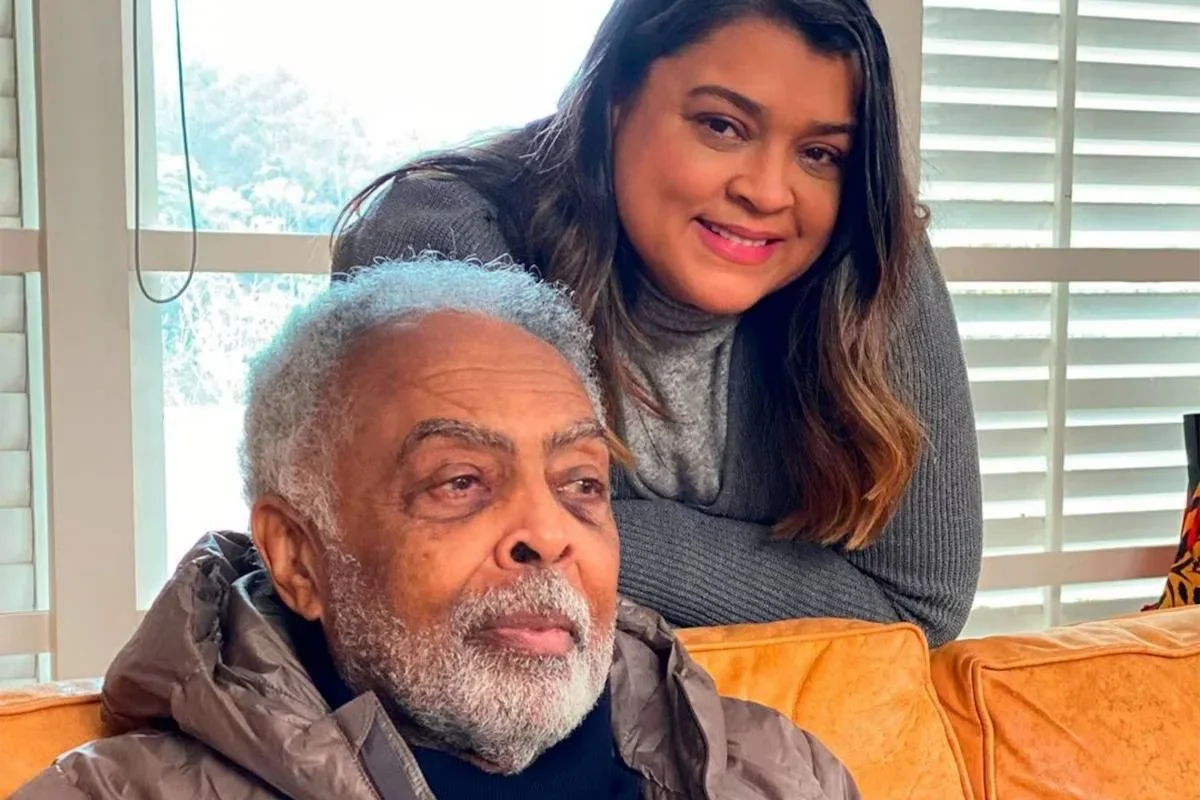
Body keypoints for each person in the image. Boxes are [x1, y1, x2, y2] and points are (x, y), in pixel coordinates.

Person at [16, 262, 860, 800]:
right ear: (299, 560)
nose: (548, 533)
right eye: (461, 482)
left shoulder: (779, 773)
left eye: (581, 484)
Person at [332, 0, 983, 646]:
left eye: (819, 153)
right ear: (616, 97)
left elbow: (916, 604)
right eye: (722, 126)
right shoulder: (443, 237)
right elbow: (477, 545)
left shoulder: (871, 250)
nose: (767, 192)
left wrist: (596, 529)